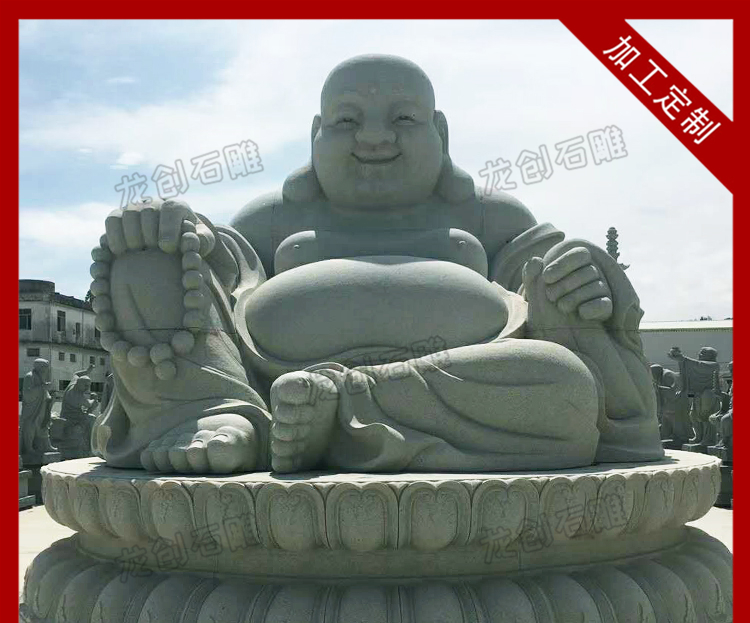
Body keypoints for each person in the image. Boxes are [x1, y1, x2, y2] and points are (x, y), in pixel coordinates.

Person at [91, 54, 662, 474]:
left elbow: (544, 286)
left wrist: (576, 274)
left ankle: (334, 410)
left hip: (464, 378)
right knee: (144, 258)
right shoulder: (272, 218)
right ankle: (217, 413)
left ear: (441, 133)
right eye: (346, 121)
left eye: (403, 119)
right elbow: (217, 273)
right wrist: (171, 231)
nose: (373, 137)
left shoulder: (491, 215)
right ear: (315, 135)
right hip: (265, 380)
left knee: (565, 387)